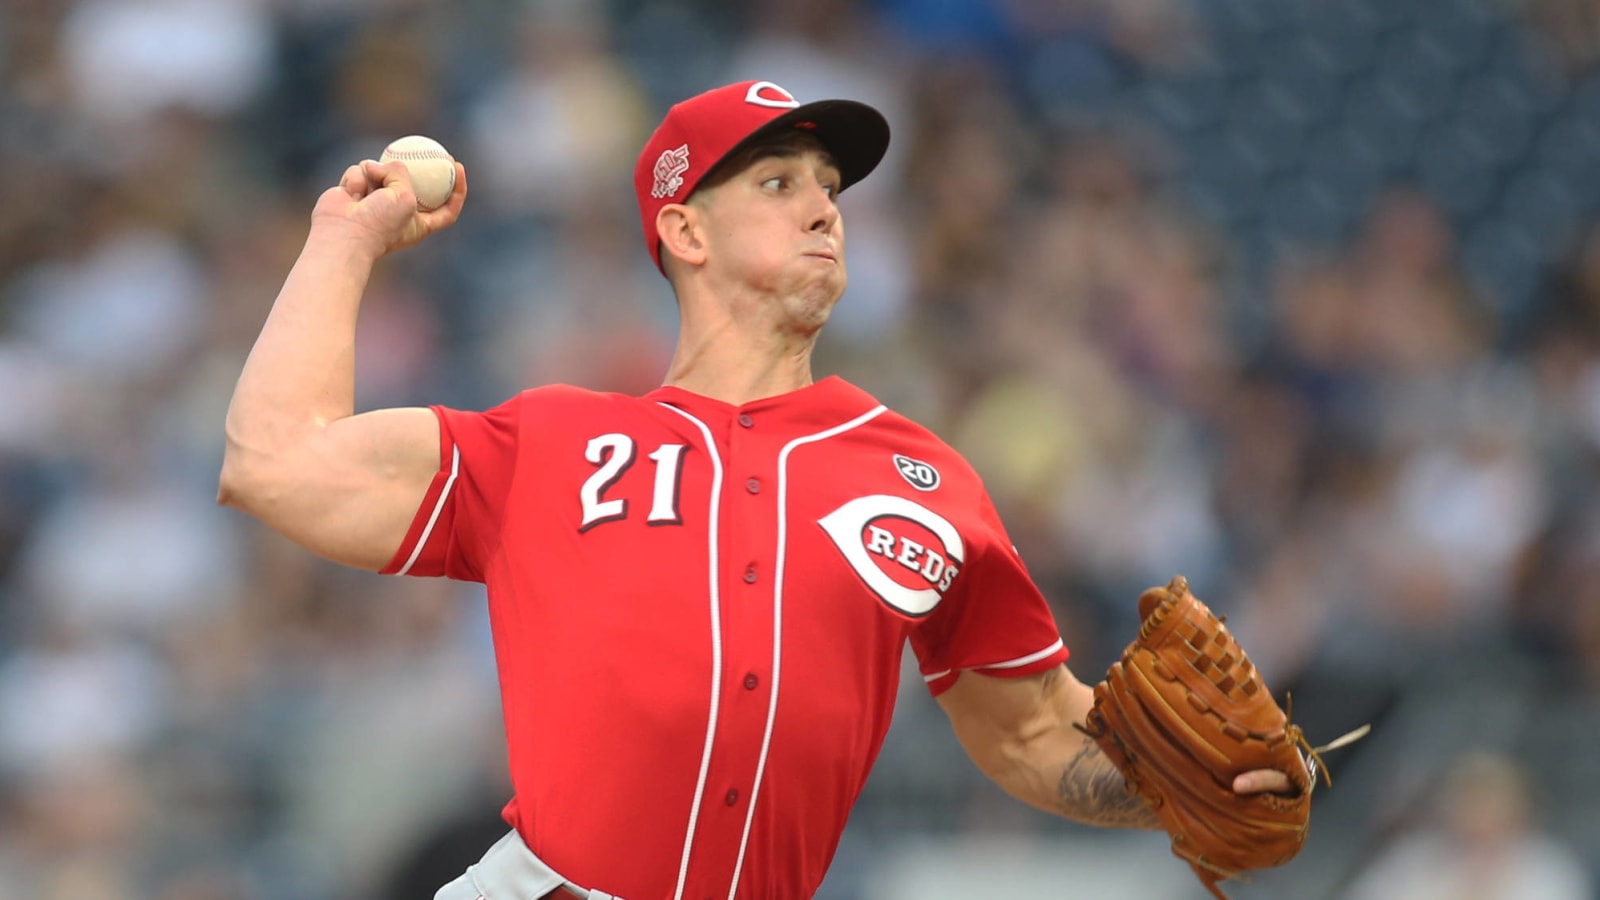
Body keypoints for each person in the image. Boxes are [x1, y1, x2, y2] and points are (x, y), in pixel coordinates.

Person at [218, 80, 1295, 900]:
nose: (823, 211)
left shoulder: (923, 477)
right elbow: (274, 461)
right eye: (777, 184)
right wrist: (344, 240)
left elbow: (1024, 731)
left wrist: (1167, 792)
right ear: (683, 229)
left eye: (829, 191)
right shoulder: (549, 441)